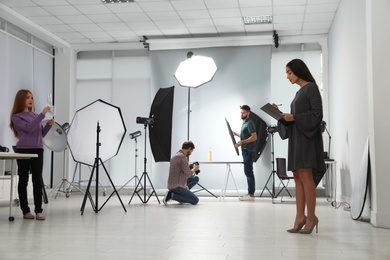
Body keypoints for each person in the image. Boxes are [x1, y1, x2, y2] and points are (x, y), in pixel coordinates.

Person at [274, 59, 326, 234]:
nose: (287, 76)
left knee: (305, 175)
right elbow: (294, 118)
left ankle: (311, 217)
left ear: (298, 71)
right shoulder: (299, 93)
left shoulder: (311, 88)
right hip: (297, 139)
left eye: (289, 72)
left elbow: (317, 115)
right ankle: (299, 216)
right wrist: (280, 115)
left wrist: (294, 117)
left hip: (307, 139)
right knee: (297, 175)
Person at [9, 89, 54, 220]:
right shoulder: (16, 117)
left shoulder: (35, 116)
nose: (30, 100)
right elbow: (29, 129)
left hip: (38, 149)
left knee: (37, 180)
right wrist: (42, 114)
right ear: (20, 100)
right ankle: (25, 211)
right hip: (23, 151)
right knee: (23, 180)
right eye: (27, 97)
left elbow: (40, 134)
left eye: (32, 97)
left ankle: (39, 210)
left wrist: (49, 125)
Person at [163, 141, 200, 205]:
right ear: (189, 148)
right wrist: (194, 169)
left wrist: (190, 166)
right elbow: (188, 174)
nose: (191, 153)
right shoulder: (182, 157)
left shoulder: (177, 155)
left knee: (195, 178)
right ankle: (172, 195)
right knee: (195, 200)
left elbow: (180, 169)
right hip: (177, 187)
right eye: (191, 151)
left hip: (173, 183)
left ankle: (181, 195)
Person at [233, 105, 257, 201]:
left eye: (243, 113)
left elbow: (254, 137)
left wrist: (242, 142)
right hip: (245, 150)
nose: (241, 114)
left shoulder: (250, 123)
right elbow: (245, 135)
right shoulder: (244, 123)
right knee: (247, 171)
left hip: (249, 151)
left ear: (248, 113)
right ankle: (250, 193)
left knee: (249, 172)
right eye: (241, 113)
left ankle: (251, 194)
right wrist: (236, 134)